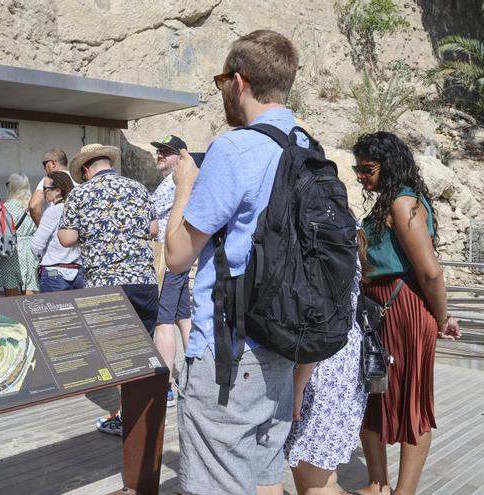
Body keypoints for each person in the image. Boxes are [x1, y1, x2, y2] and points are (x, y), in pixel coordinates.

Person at [164, 30, 302, 494]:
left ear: (238, 82)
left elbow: (178, 256)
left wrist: (185, 183)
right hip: (282, 344)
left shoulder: (235, 148)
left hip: (228, 353)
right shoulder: (306, 144)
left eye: (224, 79)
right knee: (265, 480)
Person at [353, 132, 461, 495]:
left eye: (366, 168)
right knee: (371, 396)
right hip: (379, 312)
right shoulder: (388, 204)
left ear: (389, 164)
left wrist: (443, 317)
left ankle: (404, 491)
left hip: (401, 311)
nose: (360, 175)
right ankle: (377, 485)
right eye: (357, 168)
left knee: (411, 403)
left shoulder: (403, 204)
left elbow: (430, 272)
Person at [58, 143, 159, 436]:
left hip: (105, 284)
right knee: (143, 348)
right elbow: (153, 230)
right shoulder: (139, 189)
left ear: (87, 170)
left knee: (117, 354)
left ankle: (128, 413)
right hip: (142, 280)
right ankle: (144, 408)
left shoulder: (80, 194)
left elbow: (66, 239)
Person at [283, 236, 367, 495]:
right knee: (315, 474)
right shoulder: (343, 226)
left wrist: (297, 387)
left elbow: (322, 320)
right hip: (339, 360)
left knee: (316, 479)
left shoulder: (323, 232)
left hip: (320, 368)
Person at [150, 134, 193, 408]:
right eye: (160, 151)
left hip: (168, 254)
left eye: (167, 152)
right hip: (180, 254)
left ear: (181, 156)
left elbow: (150, 217)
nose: (161, 156)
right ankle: (195, 376)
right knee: (182, 317)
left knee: (162, 321)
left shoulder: (173, 183)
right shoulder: (181, 181)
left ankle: (165, 387)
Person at [30, 171, 83, 292]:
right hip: (77, 271)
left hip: (54, 272)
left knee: (55, 310)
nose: (43, 192)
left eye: (46, 188)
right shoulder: (77, 209)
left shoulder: (52, 211)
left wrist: (45, 258)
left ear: (58, 191)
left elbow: (36, 245)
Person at [0, 173, 38, 296]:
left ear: (11, 187)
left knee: (10, 286)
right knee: (30, 285)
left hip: (11, 248)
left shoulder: (5, 208)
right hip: (30, 249)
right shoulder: (33, 206)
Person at [29, 148, 76, 225]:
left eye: (44, 164)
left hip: (55, 229)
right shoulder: (77, 179)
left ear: (53, 163)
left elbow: (34, 206)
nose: (44, 168)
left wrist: (43, 229)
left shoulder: (49, 179)